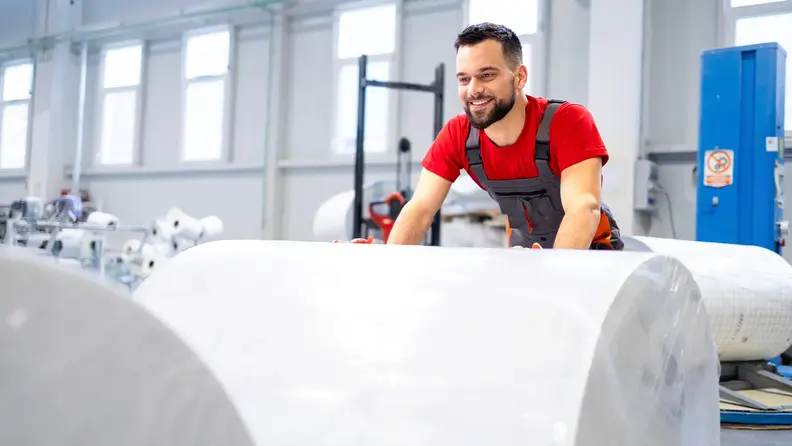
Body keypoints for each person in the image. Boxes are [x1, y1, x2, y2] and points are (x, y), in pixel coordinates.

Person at [386, 22, 623, 250]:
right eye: (464, 79)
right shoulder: (458, 134)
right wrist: (388, 267)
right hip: (525, 252)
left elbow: (583, 207)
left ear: (519, 77)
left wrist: (556, 278)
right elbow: (419, 209)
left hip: (591, 256)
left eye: (487, 75)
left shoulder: (567, 122)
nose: (473, 89)